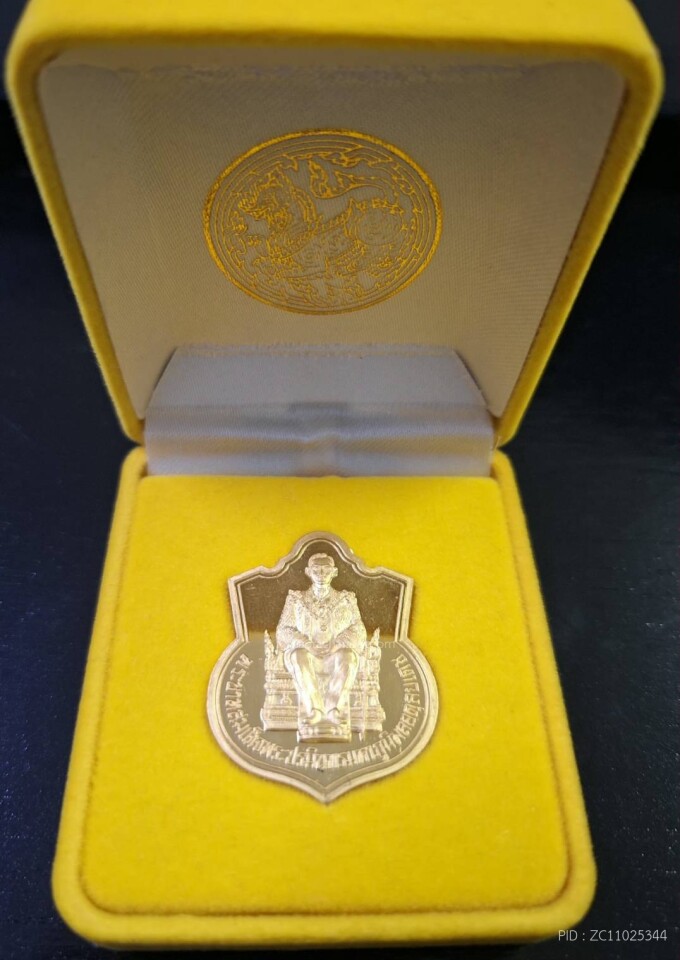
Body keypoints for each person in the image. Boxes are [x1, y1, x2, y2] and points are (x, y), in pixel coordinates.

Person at [276, 552, 367, 739]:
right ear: (308, 572)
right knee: (298, 655)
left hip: (335, 657)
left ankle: (334, 709)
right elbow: (283, 631)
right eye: (316, 570)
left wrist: (337, 644)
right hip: (308, 656)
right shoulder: (296, 599)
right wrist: (307, 644)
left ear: (334, 572)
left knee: (349, 656)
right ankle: (314, 710)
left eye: (326, 570)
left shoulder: (346, 599)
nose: (321, 574)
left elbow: (359, 630)